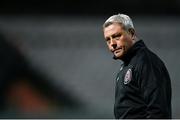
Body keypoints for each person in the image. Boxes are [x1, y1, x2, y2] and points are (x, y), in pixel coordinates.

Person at [102, 13, 172, 119]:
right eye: (108, 39)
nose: (112, 43)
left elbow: (158, 112)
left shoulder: (146, 62)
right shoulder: (128, 64)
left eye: (116, 36)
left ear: (132, 33)